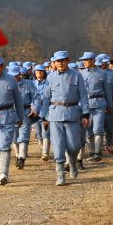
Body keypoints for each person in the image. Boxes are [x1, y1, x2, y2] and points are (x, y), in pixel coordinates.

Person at [41, 51, 85, 185]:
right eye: (57, 61)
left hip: (72, 113)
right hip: (55, 115)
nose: (60, 63)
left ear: (68, 60)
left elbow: (83, 96)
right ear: (54, 63)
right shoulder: (50, 77)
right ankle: (60, 175)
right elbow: (46, 98)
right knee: (58, 145)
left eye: (62, 60)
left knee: (74, 146)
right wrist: (44, 117)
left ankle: (72, 162)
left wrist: (86, 114)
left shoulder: (77, 75)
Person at [0, 56, 24, 185]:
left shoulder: (11, 80)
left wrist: (20, 117)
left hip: (8, 115)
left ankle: (4, 174)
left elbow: (18, 100)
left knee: (5, 146)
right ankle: (0, 172)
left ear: (2, 67)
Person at [79, 52, 113, 163]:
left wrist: (110, 105)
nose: (84, 62)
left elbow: (108, 91)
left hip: (99, 104)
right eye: (83, 60)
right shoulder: (80, 74)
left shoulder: (102, 73)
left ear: (93, 60)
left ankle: (98, 153)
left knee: (98, 129)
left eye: (87, 60)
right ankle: (91, 152)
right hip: (86, 105)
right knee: (88, 130)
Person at [13, 62, 38, 169]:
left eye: (16, 75)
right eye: (12, 75)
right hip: (12, 113)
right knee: (14, 137)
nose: (15, 77)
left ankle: (21, 158)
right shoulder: (7, 84)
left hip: (25, 111)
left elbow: (36, 97)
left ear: (20, 74)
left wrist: (35, 108)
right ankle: (17, 155)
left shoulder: (28, 84)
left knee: (23, 136)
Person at [97, 54, 113, 154]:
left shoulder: (111, 74)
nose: (106, 64)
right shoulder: (94, 72)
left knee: (110, 126)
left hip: (110, 104)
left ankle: (109, 144)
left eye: (107, 62)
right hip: (97, 104)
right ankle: (99, 146)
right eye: (104, 62)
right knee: (98, 126)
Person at [33, 64, 51, 161]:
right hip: (35, 111)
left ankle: (45, 153)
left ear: (44, 72)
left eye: (41, 71)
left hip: (46, 110)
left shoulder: (48, 83)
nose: (39, 73)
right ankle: (42, 149)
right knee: (39, 132)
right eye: (37, 71)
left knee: (46, 132)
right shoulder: (32, 84)